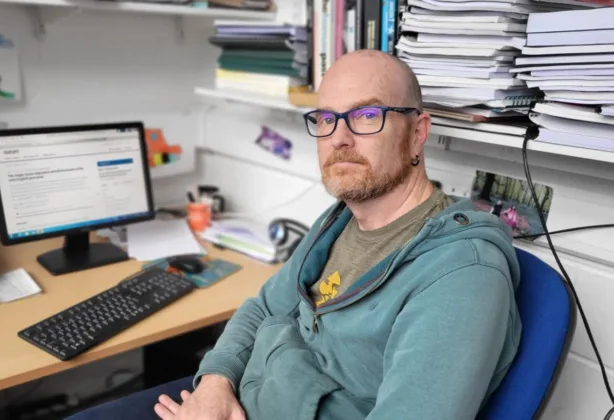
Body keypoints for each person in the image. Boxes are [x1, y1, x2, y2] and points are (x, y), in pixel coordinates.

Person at [68, 50, 522, 420]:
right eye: (326, 119)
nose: (339, 137)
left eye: (366, 115)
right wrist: (215, 385)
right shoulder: (339, 220)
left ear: (417, 132)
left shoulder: (461, 276)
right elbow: (264, 307)